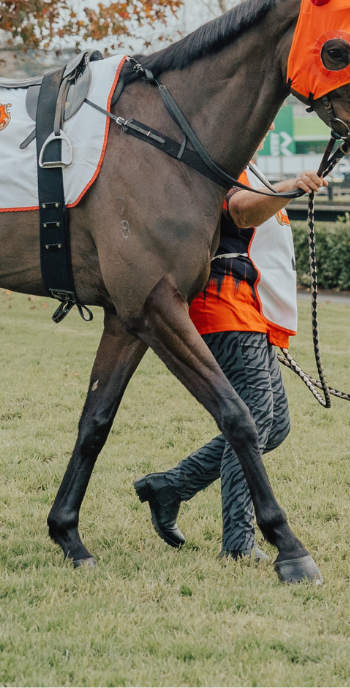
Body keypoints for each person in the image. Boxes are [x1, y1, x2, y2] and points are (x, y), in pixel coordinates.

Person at [133, 165, 326, 560]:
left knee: (276, 426)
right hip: (223, 302)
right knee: (253, 422)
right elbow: (239, 211)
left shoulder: (250, 164)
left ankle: (171, 486)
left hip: (249, 306)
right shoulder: (224, 158)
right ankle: (238, 543)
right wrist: (289, 188)